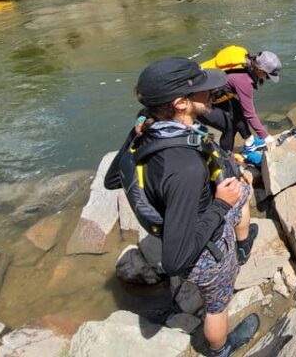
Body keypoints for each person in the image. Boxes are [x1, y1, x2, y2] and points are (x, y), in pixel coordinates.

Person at [104, 57, 260, 357]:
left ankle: (242, 245)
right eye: (203, 90)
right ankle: (220, 348)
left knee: (243, 188)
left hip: (182, 212)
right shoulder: (185, 169)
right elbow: (175, 261)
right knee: (218, 304)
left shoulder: (146, 124)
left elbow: (113, 179)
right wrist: (219, 204)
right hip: (205, 249)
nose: (212, 93)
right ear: (180, 104)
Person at [199, 47, 282, 166]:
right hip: (195, 102)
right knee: (229, 126)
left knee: (237, 106)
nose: (266, 78)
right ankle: (225, 161)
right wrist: (266, 136)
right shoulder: (244, 80)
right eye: (267, 75)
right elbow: (250, 114)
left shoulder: (245, 62)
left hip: (208, 91)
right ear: (260, 70)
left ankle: (250, 141)